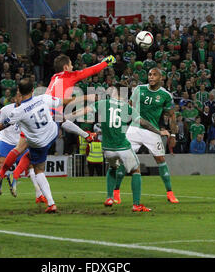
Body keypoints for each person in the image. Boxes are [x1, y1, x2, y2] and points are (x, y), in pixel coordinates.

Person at [0, 55, 117, 194]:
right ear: (65, 68)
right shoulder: (70, 76)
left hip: (37, 111)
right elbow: (91, 71)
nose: (73, 68)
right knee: (36, 152)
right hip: (48, 118)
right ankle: (16, 178)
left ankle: (4, 175)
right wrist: (106, 62)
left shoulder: (54, 77)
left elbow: (64, 119)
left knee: (21, 147)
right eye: (71, 65)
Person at [0, 79, 77, 213]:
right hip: (46, 135)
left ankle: (6, 176)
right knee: (36, 167)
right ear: (33, 90)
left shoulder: (18, 112)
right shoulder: (42, 99)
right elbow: (63, 102)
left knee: (32, 164)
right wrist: (75, 98)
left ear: (19, 92)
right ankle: (49, 202)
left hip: (34, 140)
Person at [67, 83, 168, 211]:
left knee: (113, 167)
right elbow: (143, 123)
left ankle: (109, 197)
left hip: (107, 149)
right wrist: (158, 132)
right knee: (136, 171)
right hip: (122, 148)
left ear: (114, 91)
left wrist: (69, 116)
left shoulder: (103, 103)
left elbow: (85, 111)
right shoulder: (127, 107)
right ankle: (136, 205)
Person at [0, 92, 47, 205]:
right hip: (5, 141)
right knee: (0, 164)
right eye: (18, 96)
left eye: (22, 96)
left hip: (21, 142)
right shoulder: (5, 110)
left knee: (31, 166)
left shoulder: (29, 109)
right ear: (14, 98)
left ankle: (39, 195)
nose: (20, 98)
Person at [125, 68, 180, 204]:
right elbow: (129, 107)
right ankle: (115, 192)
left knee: (161, 160)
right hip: (135, 128)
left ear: (161, 78)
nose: (151, 77)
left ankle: (170, 193)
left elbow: (172, 115)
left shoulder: (165, 95)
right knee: (124, 159)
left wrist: (172, 134)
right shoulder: (139, 89)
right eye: (150, 74)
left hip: (153, 131)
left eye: (155, 75)